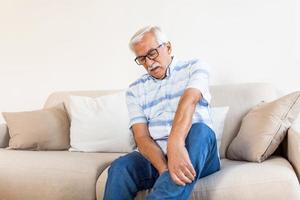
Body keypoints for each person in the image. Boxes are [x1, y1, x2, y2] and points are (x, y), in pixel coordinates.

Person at [103, 25, 220, 200]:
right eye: (141, 59)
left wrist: (176, 143)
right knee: (120, 167)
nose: (149, 63)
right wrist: (165, 168)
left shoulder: (194, 67)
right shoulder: (134, 90)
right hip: (157, 157)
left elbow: (190, 100)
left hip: (198, 150)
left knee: (200, 131)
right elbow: (141, 137)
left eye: (152, 54)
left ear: (168, 47)